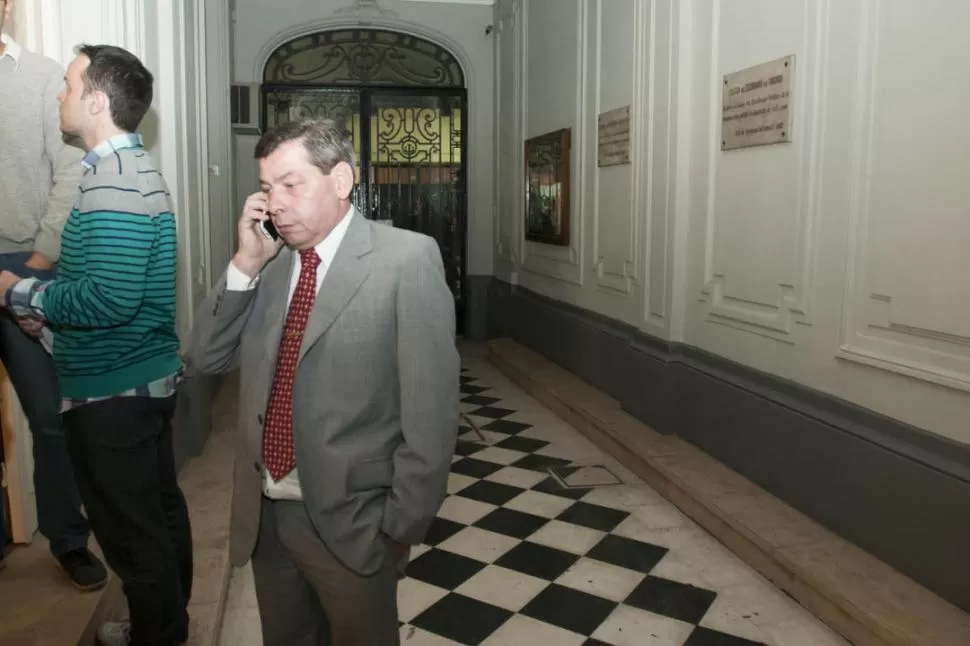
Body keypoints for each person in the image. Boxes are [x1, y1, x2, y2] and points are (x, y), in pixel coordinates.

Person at [189, 117, 459, 646]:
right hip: (267, 519)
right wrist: (245, 262)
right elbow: (206, 357)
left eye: (292, 184)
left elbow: (430, 416)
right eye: (267, 188)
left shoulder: (406, 260)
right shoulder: (269, 268)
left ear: (340, 181)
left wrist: (397, 530)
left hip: (354, 524)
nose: (276, 203)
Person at [0, 44, 192, 646]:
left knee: (136, 541)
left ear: (97, 100)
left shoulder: (113, 184)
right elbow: (109, 295)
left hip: (114, 395)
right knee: (158, 520)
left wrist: (20, 293)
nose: (58, 93)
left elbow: (107, 301)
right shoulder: (121, 171)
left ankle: (155, 634)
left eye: (67, 83)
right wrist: (51, 323)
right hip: (136, 380)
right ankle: (165, 627)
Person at [0, 0, 107, 589]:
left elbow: (71, 174)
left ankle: (67, 539)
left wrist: (38, 264)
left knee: (49, 416)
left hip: (27, 263)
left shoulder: (44, 78)